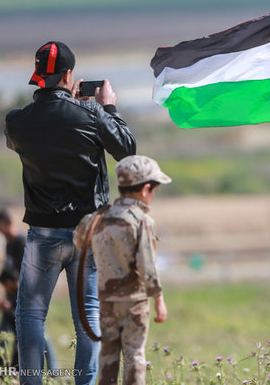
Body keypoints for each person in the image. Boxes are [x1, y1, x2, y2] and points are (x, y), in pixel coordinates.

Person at [5, 41, 137, 385]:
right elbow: (126, 150)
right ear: (69, 75)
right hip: (88, 230)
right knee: (88, 315)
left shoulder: (17, 122)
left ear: (39, 76)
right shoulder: (91, 114)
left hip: (42, 231)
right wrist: (106, 108)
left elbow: (25, 138)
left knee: (31, 315)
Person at [73, 155, 170, 385]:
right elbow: (147, 264)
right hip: (134, 302)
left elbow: (79, 240)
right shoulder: (141, 221)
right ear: (146, 189)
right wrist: (158, 299)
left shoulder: (98, 217)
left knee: (108, 354)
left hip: (106, 300)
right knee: (134, 354)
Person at [0, 208, 59, 370]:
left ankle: (54, 370)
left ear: (6, 223)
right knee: (7, 330)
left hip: (27, 295)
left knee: (40, 333)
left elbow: (28, 274)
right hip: (14, 296)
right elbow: (12, 271)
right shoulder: (9, 245)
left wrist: (14, 290)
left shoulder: (22, 242)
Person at [0, 265, 20, 369]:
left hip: (22, 334)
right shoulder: (11, 291)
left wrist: (9, 309)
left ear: (9, 282)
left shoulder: (23, 292)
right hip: (16, 334)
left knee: (18, 362)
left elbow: (23, 317)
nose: (4, 288)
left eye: (4, 285)